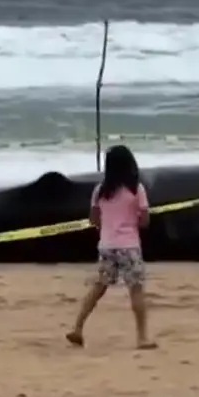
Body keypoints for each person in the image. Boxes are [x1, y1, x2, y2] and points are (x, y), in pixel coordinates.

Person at [66, 144, 157, 350]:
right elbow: (144, 221)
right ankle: (142, 337)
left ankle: (78, 327)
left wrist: (108, 224)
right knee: (136, 290)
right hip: (129, 245)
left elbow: (93, 219)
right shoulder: (136, 189)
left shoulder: (100, 190)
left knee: (98, 288)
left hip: (106, 245)